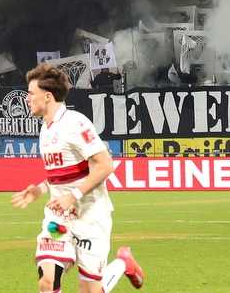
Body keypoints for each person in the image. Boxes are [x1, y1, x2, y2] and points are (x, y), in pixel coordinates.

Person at [10, 63, 144, 292]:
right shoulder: (46, 128)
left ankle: (123, 263)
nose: (27, 98)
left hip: (90, 218)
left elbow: (105, 165)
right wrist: (39, 191)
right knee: (47, 280)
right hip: (59, 220)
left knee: (90, 290)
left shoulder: (75, 123)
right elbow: (61, 175)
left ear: (48, 96)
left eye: (31, 93)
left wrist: (73, 196)